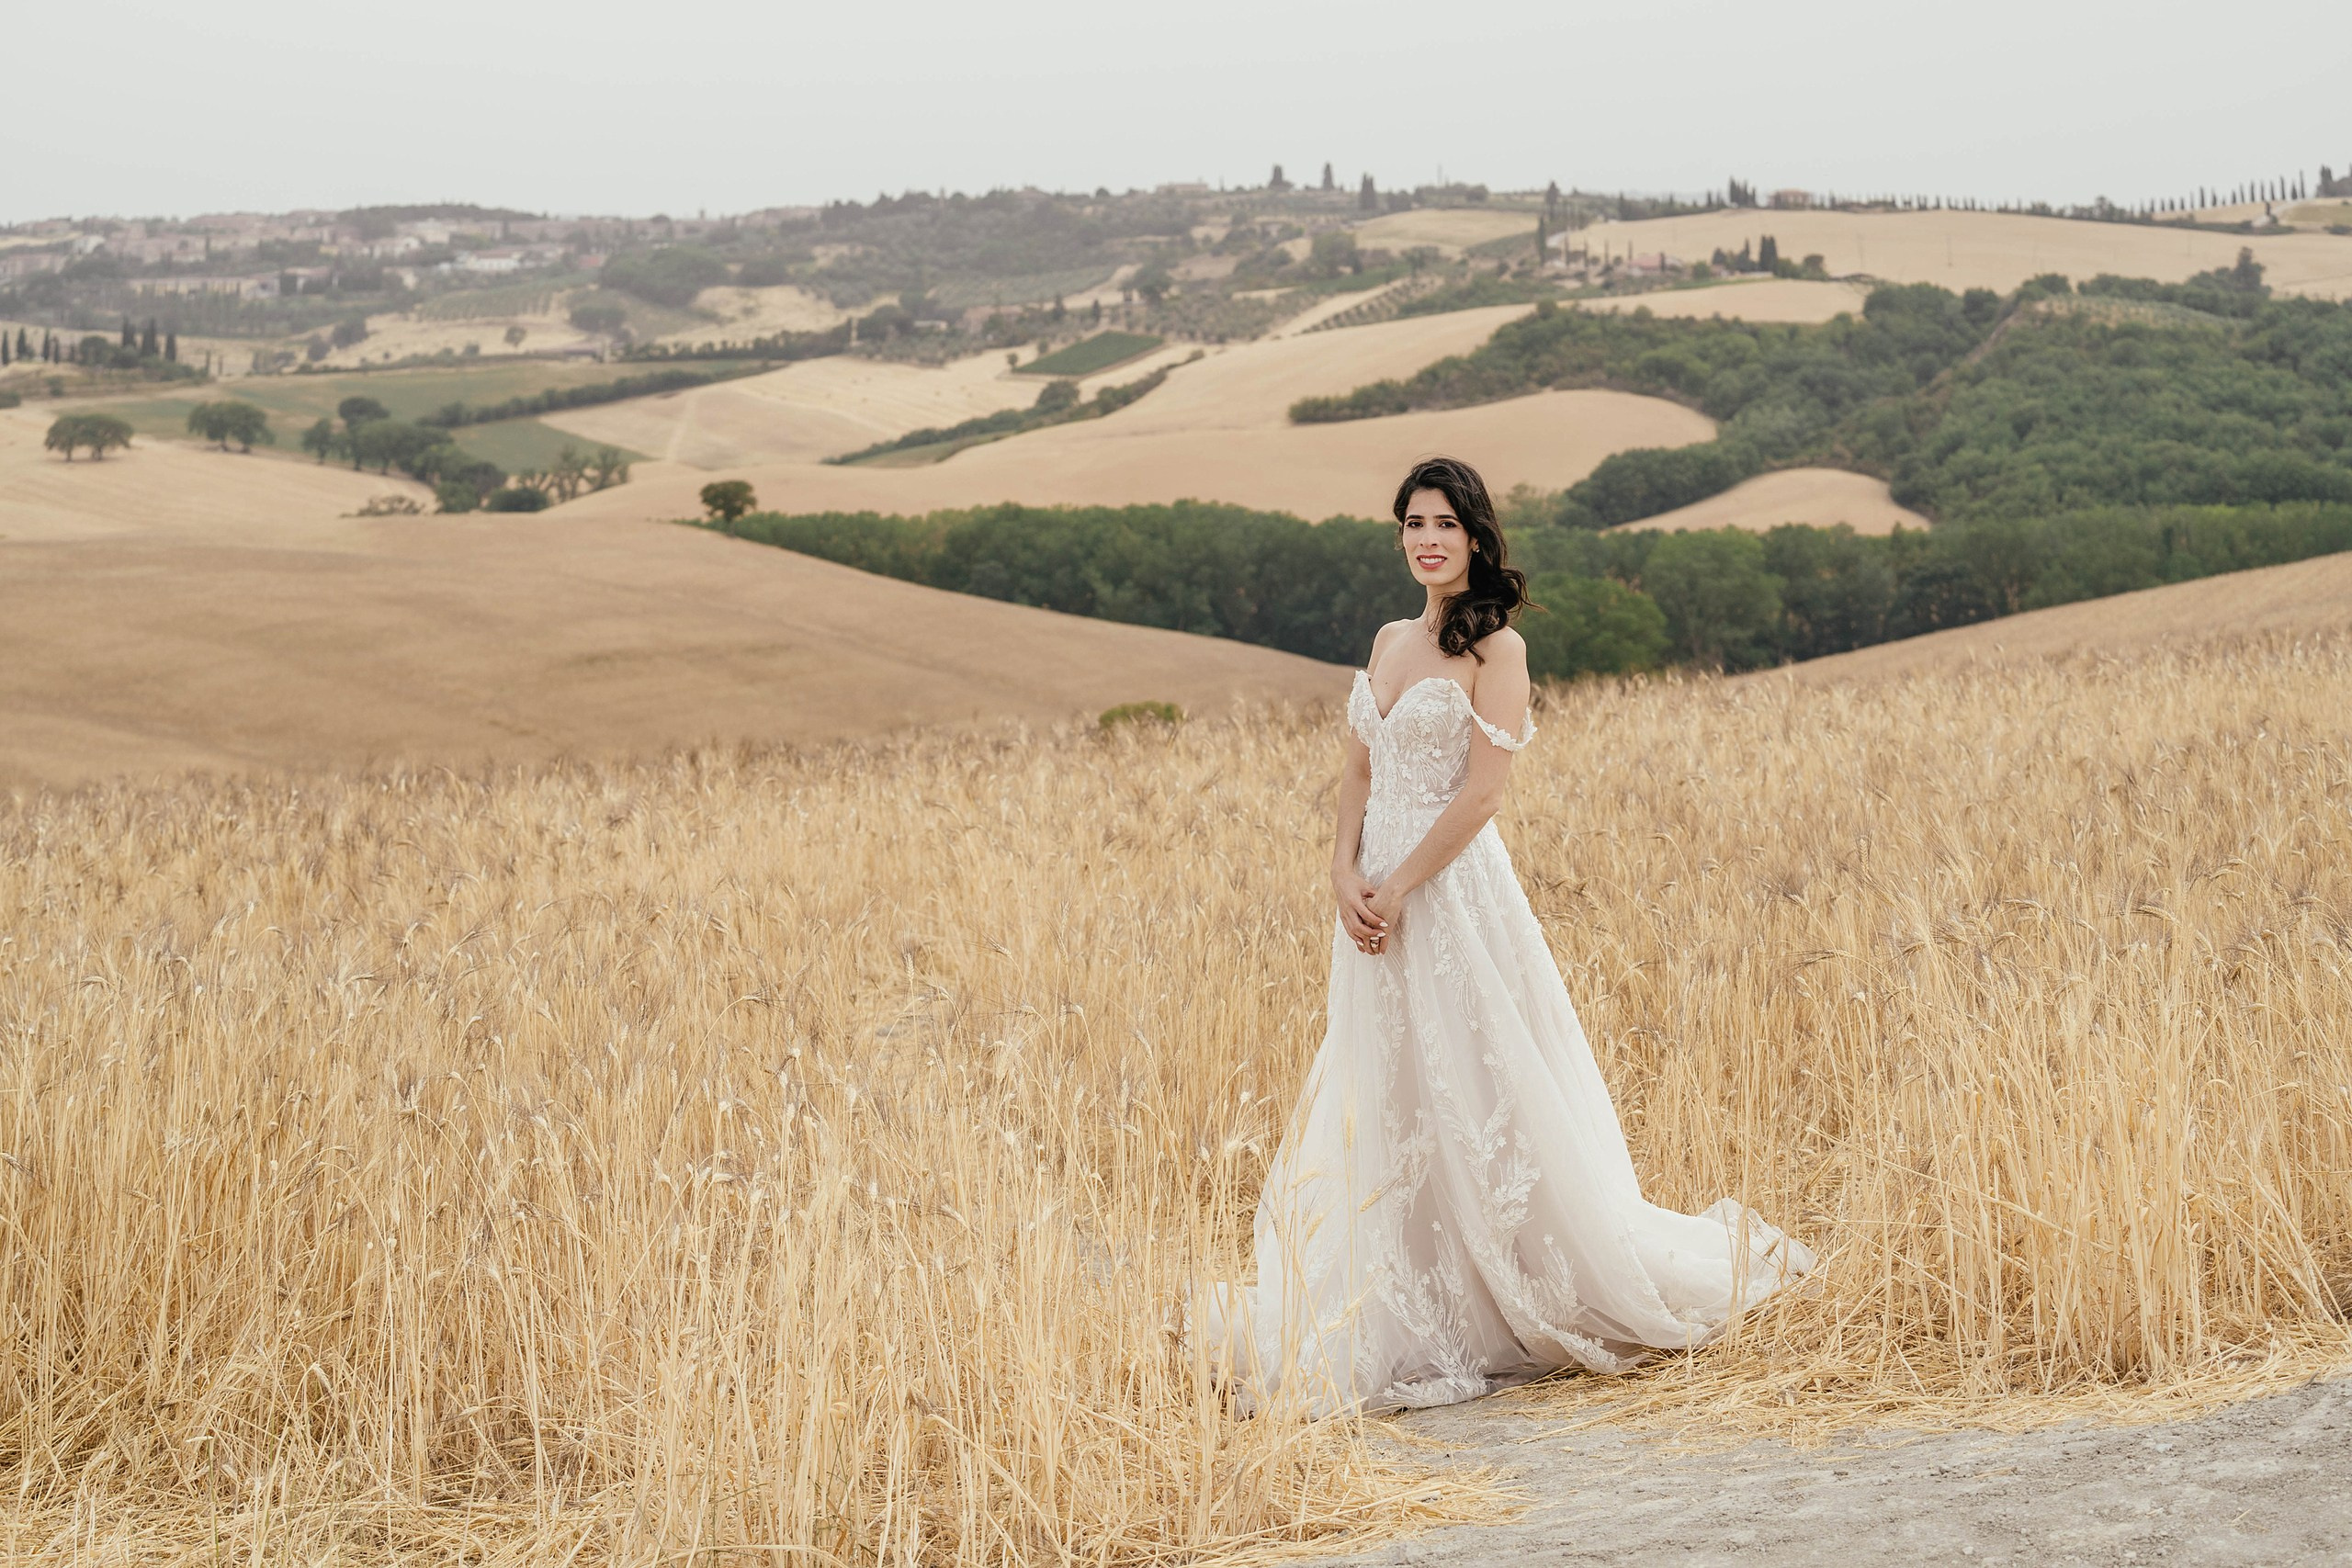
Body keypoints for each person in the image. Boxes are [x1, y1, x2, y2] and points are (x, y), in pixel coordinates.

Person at [1205, 456, 1813, 1415]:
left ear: (1477, 538)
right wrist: (1342, 874)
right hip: (1370, 897)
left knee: (1477, 1076)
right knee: (1388, 1080)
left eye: (1444, 523)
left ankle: (1508, 1284)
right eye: (1412, 523)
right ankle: (1399, 1281)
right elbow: (1358, 775)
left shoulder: (1498, 654)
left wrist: (1403, 884)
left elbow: (1484, 794)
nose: (1426, 539)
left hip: (1449, 898)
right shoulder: (1388, 640)